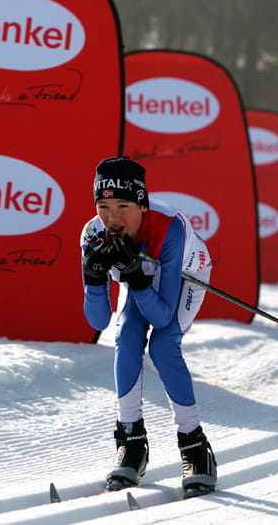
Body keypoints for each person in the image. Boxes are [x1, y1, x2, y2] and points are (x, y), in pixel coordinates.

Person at [79, 156, 217, 497]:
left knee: (163, 346)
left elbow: (163, 317)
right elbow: (98, 321)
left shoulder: (168, 228)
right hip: (141, 275)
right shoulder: (93, 234)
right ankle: (131, 442)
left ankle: (194, 445)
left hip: (185, 274)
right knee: (126, 338)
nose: (112, 218)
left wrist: (136, 278)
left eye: (123, 206)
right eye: (103, 206)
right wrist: (93, 279)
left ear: (142, 205)